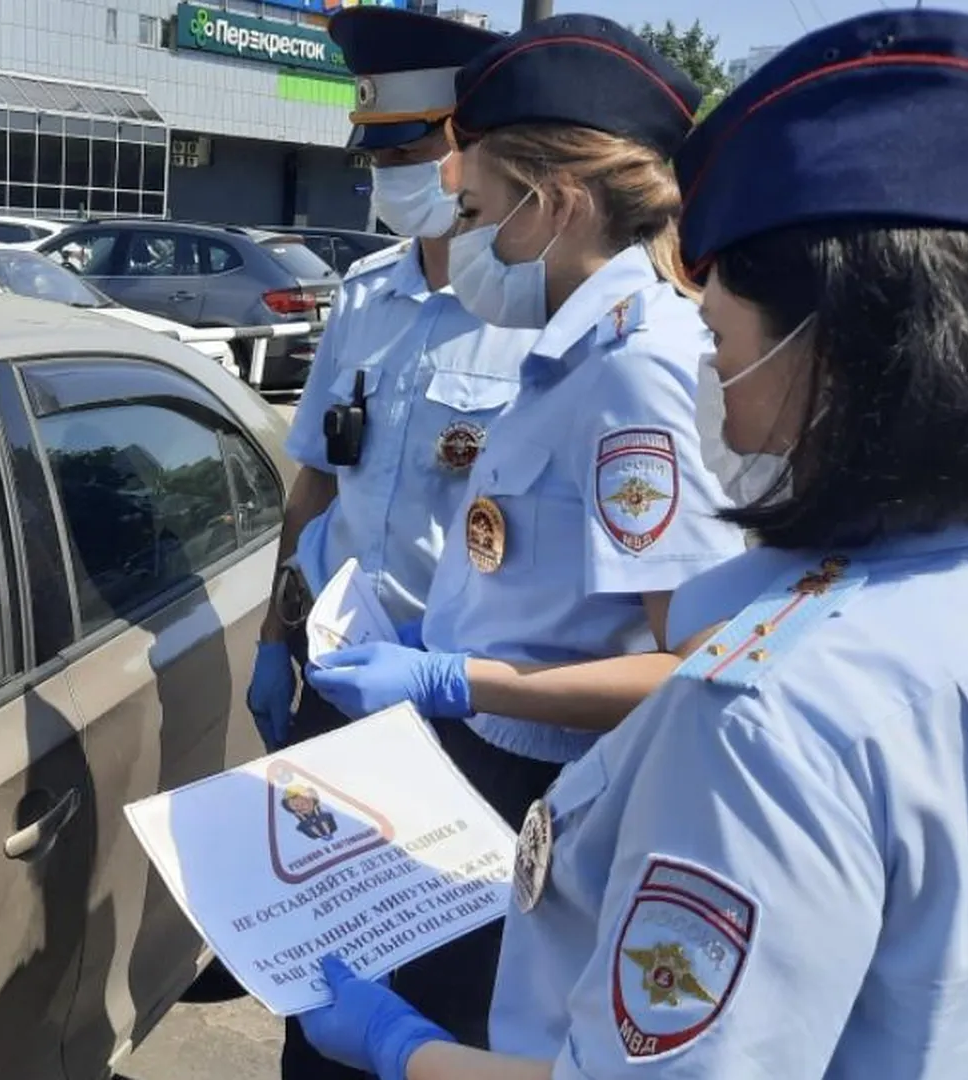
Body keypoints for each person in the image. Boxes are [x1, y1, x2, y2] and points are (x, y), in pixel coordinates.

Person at [298, 9, 968, 1079]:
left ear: (836, 357)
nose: (713, 398)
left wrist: (403, 1052)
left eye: (722, 343)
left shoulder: (764, 715)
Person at [299, 13, 746, 1052]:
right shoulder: (572, 349)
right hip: (482, 763)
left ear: (555, 206)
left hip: (543, 783)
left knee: (460, 1039)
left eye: (481, 208)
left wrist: (457, 680)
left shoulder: (638, 366)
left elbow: (696, 670)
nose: (470, 240)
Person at [251, 5, 538, 752]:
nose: (390, 178)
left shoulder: (537, 316)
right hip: (337, 668)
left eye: (408, 155)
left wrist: (448, 679)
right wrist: (274, 639)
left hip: (462, 701)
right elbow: (316, 483)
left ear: (472, 147)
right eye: (377, 161)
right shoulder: (365, 292)